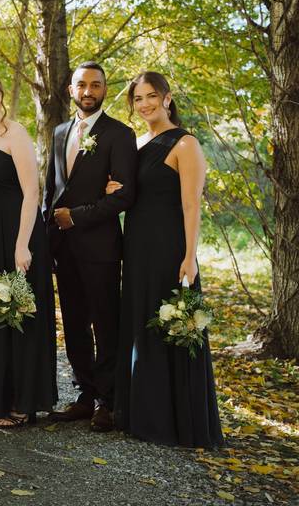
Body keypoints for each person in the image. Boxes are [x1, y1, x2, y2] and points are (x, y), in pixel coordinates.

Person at [111, 71, 223, 448]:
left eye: (151, 97)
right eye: (138, 99)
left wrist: (190, 256)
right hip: (137, 246)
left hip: (169, 248)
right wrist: (117, 188)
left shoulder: (185, 144)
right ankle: (142, 416)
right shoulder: (140, 142)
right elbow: (133, 193)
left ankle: (174, 423)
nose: (144, 105)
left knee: (168, 327)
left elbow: (192, 205)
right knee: (142, 326)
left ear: (167, 98)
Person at [43, 61, 137, 432]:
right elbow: (53, 189)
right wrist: (49, 235)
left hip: (99, 246)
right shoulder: (60, 131)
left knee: (104, 323)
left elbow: (125, 195)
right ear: (70, 89)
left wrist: (77, 217)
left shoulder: (119, 134)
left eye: (95, 85)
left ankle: (108, 401)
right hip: (63, 247)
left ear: (105, 90)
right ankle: (84, 394)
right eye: (81, 85)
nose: (88, 91)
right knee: (75, 323)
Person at [0, 72, 57, 428]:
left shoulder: (14, 133)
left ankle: (25, 402)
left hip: (20, 231)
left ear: (2, 95)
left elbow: (32, 192)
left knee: (21, 315)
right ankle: (0, 400)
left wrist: (22, 244)